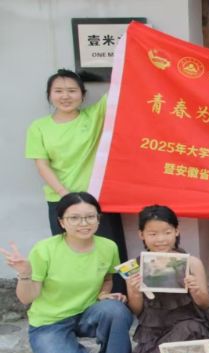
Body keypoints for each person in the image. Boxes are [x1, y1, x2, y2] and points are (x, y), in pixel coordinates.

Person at [1, 192, 132, 353]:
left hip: (87, 313)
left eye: (90, 216)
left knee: (117, 310)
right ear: (62, 222)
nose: (84, 223)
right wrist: (25, 273)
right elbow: (26, 298)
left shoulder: (108, 246)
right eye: (74, 218)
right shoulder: (44, 249)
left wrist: (104, 295)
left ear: (98, 219)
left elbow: (107, 278)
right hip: (50, 321)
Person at [25, 69, 128, 291]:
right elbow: (42, 164)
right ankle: (76, 299)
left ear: (83, 95)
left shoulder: (93, 116)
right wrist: (66, 195)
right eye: (58, 91)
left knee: (110, 250)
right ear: (49, 95)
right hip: (60, 200)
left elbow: (120, 87)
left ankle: (117, 298)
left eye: (72, 90)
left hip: (98, 199)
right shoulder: (39, 127)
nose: (65, 96)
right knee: (69, 253)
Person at [127, 205, 209, 353]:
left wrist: (196, 290)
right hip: (154, 329)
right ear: (141, 234)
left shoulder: (192, 263)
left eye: (167, 232)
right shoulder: (135, 267)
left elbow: (204, 304)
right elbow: (138, 311)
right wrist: (134, 291)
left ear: (176, 231)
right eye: (153, 234)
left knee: (189, 330)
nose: (161, 239)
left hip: (188, 326)